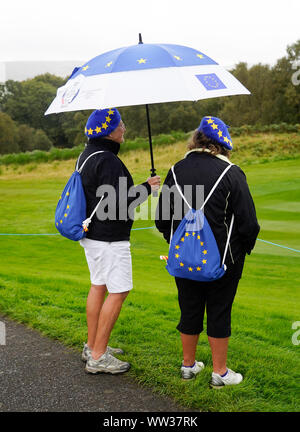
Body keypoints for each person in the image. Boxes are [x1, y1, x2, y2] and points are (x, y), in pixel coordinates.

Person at [155, 116, 260, 388]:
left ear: (196, 140)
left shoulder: (175, 170)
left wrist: (176, 242)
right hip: (224, 261)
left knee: (188, 309)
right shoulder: (232, 173)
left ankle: (188, 366)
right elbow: (249, 224)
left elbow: (161, 219)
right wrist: (242, 251)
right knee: (219, 312)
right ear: (223, 144)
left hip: (183, 258)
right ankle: (220, 373)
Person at [79, 108, 160, 375]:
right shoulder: (110, 161)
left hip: (93, 236)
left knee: (98, 286)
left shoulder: (87, 154)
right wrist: (147, 188)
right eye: (120, 125)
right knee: (119, 291)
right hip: (110, 239)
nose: (123, 128)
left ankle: (92, 346)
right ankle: (99, 356)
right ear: (109, 131)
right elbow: (118, 204)